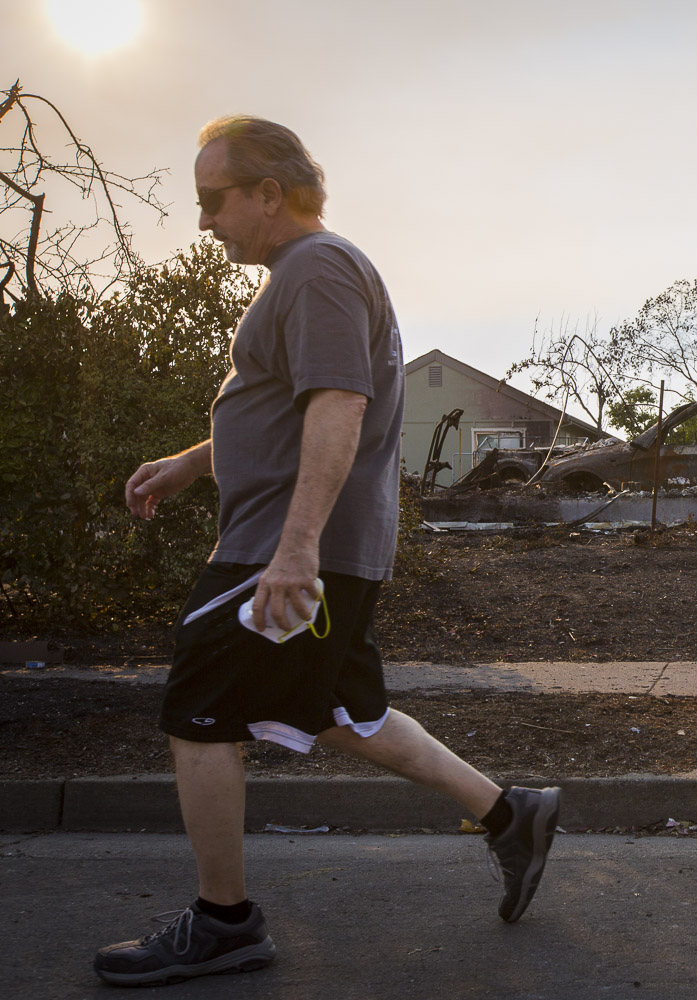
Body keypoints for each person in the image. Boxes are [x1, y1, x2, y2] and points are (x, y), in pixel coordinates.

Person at [94, 117, 562, 987]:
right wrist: (196, 462)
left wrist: (295, 551)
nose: (205, 223)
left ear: (270, 193)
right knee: (348, 716)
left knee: (198, 708)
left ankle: (224, 923)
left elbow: (340, 405)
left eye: (213, 201)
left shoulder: (317, 269)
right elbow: (288, 403)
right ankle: (511, 815)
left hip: (281, 550)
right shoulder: (306, 276)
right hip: (299, 545)